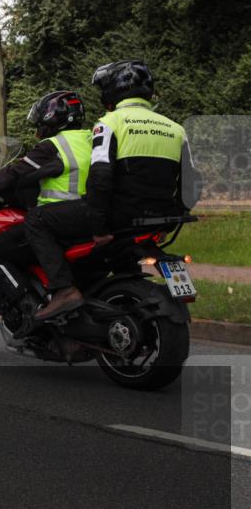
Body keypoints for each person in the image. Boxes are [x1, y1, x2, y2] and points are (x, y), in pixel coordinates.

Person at [25, 59, 198, 321]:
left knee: (36, 219)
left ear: (115, 89)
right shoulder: (176, 129)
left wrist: (98, 227)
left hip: (119, 215)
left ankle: (63, 290)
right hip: (156, 218)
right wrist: (172, 216)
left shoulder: (109, 123)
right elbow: (193, 183)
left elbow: (101, 177)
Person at [0, 90, 92, 303]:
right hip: (91, 218)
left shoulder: (53, 146)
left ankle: (26, 304)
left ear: (51, 119)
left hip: (58, 222)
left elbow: (13, 174)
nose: (38, 132)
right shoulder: (91, 139)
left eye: (40, 125)